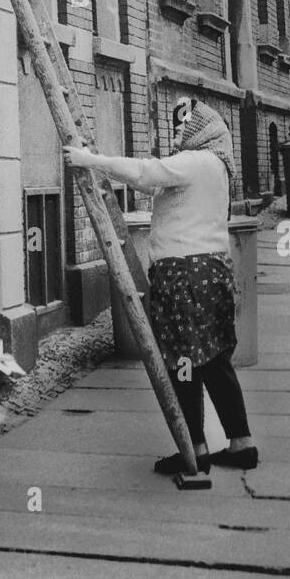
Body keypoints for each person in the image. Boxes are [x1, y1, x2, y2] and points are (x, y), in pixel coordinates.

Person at [65, 99, 258, 476]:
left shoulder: (196, 162)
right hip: (211, 271)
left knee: (182, 363)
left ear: (202, 128)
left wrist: (90, 160)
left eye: (182, 125)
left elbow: (144, 173)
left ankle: (195, 448)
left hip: (184, 275)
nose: (175, 133)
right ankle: (241, 443)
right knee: (216, 361)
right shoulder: (216, 167)